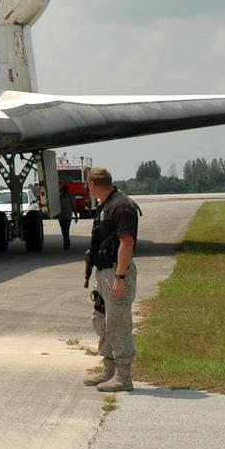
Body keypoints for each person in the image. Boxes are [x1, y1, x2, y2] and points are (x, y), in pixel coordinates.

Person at [83, 167, 140, 393]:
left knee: (118, 322)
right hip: (105, 271)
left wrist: (120, 277)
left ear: (92, 185)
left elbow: (127, 243)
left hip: (117, 271)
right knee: (102, 319)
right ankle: (109, 370)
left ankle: (124, 376)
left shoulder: (121, 206)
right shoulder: (106, 205)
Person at [57, 183, 74, 250]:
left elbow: (73, 206)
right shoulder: (60, 198)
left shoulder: (69, 197)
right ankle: (67, 242)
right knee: (64, 230)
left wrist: (75, 216)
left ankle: (66, 243)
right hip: (63, 216)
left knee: (65, 230)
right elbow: (73, 206)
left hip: (65, 217)